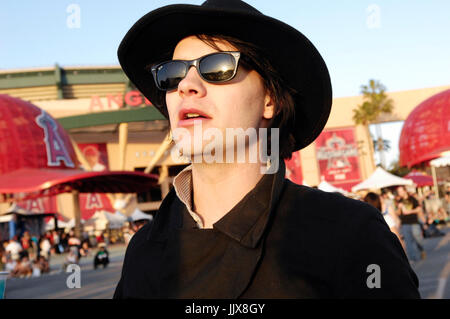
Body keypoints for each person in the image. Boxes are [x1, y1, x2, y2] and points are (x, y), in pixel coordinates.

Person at [114, 0, 419, 298]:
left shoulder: (348, 234)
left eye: (218, 67)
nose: (186, 86)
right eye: (172, 73)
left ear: (269, 100)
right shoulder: (143, 250)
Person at [395, 186, 426, 262]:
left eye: (401, 191)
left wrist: (410, 212)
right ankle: (413, 258)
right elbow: (397, 213)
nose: (400, 193)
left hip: (414, 222)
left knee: (418, 239)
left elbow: (419, 209)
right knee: (408, 242)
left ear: (405, 191)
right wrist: (399, 208)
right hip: (405, 223)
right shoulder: (400, 201)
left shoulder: (412, 199)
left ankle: (421, 249)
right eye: (399, 192)